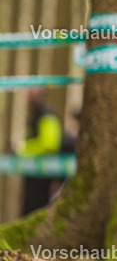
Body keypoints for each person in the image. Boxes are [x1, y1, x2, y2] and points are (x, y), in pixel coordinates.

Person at [19, 87, 63, 216]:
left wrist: (22, 150)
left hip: (44, 173)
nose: (30, 98)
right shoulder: (35, 115)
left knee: (38, 206)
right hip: (32, 172)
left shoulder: (47, 115)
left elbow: (49, 145)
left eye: (33, 94)